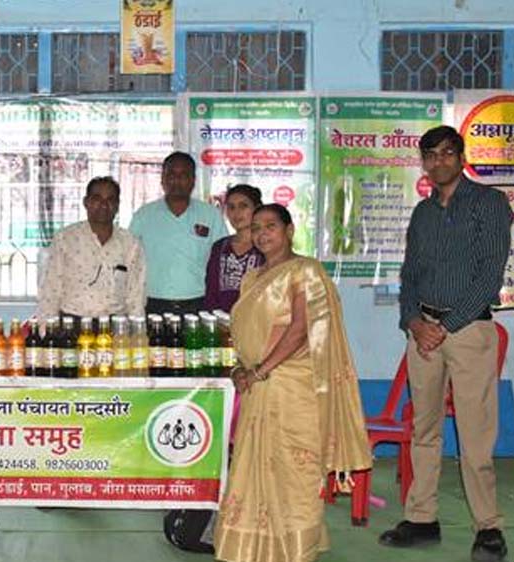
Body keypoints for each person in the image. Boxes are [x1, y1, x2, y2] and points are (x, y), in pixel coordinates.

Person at [379, 126, 510, 562]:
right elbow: (409, 275)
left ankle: (488, 528)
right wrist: (414, 322)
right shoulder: (423, 212)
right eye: (431, 155)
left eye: (447, 153)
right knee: (424, 429)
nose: (439, 161)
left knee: (475, 435)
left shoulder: (490, 203)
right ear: (424, 162)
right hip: (424, 333)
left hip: (469, 330)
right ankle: (422, 519)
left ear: (461, 156)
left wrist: (445, 326)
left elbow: (490, 276)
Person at [213, 204, 371, 562]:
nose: (262, 234)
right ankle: (253, 547)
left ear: (289, 230)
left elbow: (301, 329)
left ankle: (298, 550)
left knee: (295, 474)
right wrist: (241, 368)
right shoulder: (252, 278)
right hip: (257, 386)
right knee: (253, 470)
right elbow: (245, 332)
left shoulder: (305, 270)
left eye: (270, 225)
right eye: (256, 228)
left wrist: (260, 371)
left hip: (293, 387)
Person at [129, 151, 228, 316]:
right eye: (171, 174)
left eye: (183, 175)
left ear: (193, 180)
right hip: (152, 305)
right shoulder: (143, 215)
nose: (177, 180)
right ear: (162, 179)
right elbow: (130, 260)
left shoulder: (211, 215)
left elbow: (221, 259)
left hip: (198, 305)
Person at [37, 175, 146, 321]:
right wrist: (46, 327)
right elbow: (50, 290)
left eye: (110, 200)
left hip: (115, 326)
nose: (104, 205)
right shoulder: (65, 239)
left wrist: (136, 330)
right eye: (97, 199)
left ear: (117, 205)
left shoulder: (130, 244)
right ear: (86, 202)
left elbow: (136, 296)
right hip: (72, 324)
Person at [203, 184, 265, 313]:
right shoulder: (220, 247)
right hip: (222, 321)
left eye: (243, 206)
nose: (236, 213)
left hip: (258, 320)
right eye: (231, 207)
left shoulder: (266, 247)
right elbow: (211, 291)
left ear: (257, 209)